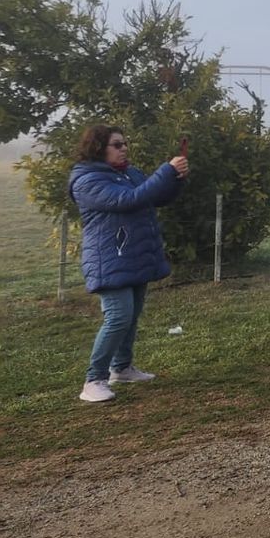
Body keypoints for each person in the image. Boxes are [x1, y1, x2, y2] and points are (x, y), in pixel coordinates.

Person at [69, 125, 189, 403]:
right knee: (118, 316)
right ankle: (93, 380)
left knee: (131, 315)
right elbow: (127, 200)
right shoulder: (87, 180)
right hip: (108, 258)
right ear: (99, 149)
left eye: (125, 143)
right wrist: (166, 171)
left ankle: (122, 368)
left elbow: (156, 197)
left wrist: (178, 179)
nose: (124, 148)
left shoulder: (128, 173)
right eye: (117, 144)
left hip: (134, 254)